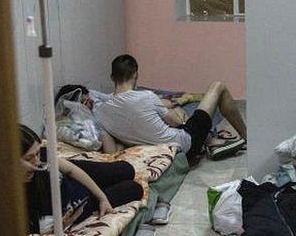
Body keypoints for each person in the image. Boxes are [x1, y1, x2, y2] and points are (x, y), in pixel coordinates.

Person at [92, 55, 247, 164]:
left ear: (112, 78)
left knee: (178, 114)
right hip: (186, 145)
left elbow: (110, 151)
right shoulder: (146, 96)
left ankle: (211, 142)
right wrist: (174, 109)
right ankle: (247, 137)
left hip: (160, 149)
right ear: (136, 75)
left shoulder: (99, 112)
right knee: (218, 86)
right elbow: (175, 122)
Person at [19, 124, 143, 234]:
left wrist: (102, 198)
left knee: (127, 169)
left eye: (37, 154)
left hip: (73, 178)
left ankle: (117, 149)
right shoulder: (15, 202)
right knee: (134, 189)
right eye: (28, 158)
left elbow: (71, 170)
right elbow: (46, 229)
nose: (37, 162)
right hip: (79, 204)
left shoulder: (43, 159)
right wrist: (65, 224)